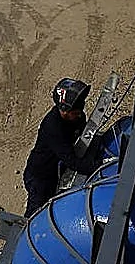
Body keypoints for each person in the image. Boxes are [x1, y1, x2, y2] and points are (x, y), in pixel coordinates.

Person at [22, 78, 99, 216]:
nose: (80, 113)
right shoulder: (53, 127)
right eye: (75, 110)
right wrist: (97, 167)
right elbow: (72, 161)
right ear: (64, 111)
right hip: (39, 177)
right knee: (36, 213)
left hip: (54, 172)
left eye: (81, 107)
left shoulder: (77, 117)